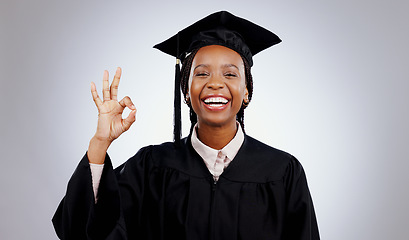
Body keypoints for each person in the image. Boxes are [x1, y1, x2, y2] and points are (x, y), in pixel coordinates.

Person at [52, 11, 320, 240]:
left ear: (246, 90)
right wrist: (100, 143)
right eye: (201, 73)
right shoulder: (152, 167)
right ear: (186, 90)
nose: (215, 83)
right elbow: (87, 231)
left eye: (230, 74)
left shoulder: (283, 172)